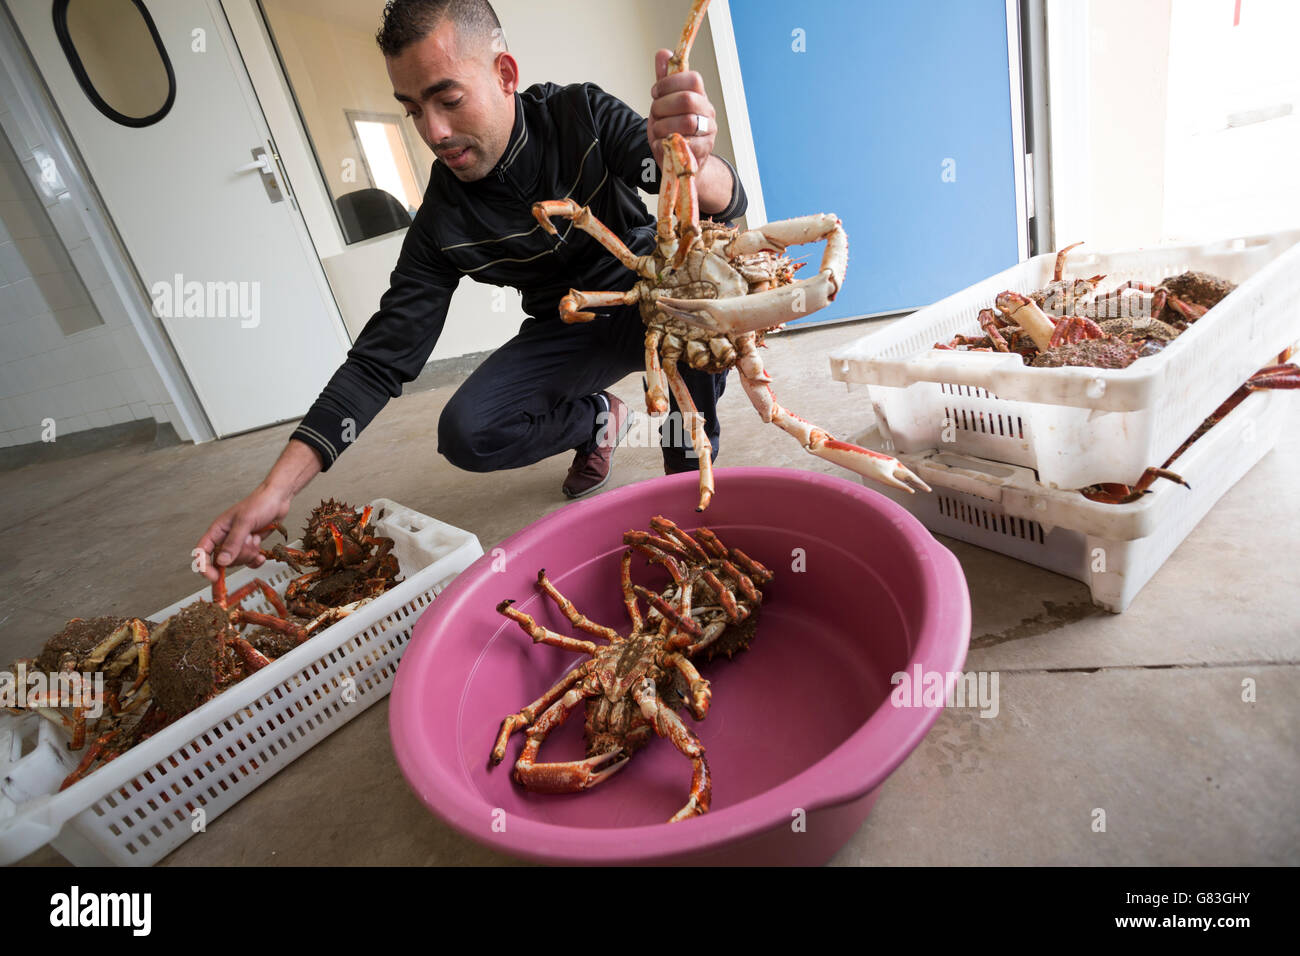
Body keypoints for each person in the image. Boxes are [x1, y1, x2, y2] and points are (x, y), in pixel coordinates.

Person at [195, 0, 746, 581]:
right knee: (468, 432)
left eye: (448, 99)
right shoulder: (441, 222)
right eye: (412, 110)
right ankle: (596, 421)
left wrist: (690, 160)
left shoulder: (578, 113)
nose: (433, 131)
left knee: (698, 324)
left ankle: (690, 485)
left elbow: (719, 201)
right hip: (569, 327)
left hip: (657, 300)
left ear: (505, 74)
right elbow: (381, 360)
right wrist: (275, 489)